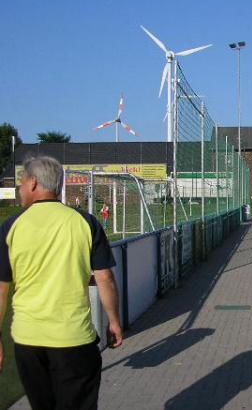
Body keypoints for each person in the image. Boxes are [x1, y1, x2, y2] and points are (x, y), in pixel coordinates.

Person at [0, 155, 122, 410]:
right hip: (74, 340)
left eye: (21, 182)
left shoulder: (11, 226)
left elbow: (1, 288)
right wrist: (113, 322)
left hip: (28, 340)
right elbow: (105, 278)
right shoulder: (85, 223)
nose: (20, 188)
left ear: (33, 183)